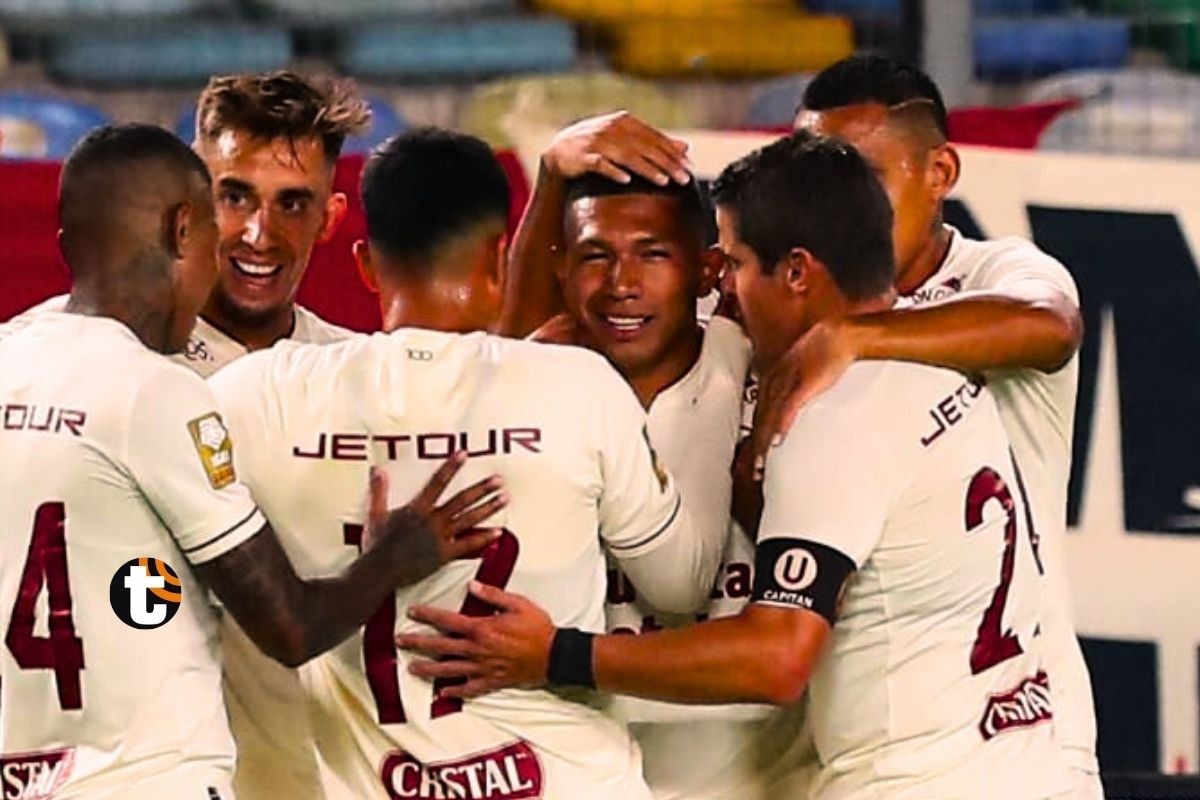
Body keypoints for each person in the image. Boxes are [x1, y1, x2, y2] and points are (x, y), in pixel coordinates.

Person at [398, 132, 1076, 800]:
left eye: (734, 263)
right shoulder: (933, 366)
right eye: (595, 258)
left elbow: (775, 656)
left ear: (795, 271)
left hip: (895, 779)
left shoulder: (819, 407)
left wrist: (554, 654)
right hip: (1011, 760)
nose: (725, 283)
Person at [205, 128, 724, 800]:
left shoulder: (254, 399)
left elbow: (152, 573)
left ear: (365, 263)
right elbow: (681, 588)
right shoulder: (580, 388)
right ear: (500, 258)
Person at [0, 124, 505, 799]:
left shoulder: (11, 359)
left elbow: (120, 575)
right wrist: (395, 557)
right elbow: (291, 627)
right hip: (150, 778)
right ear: (185, 229)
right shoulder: (154, 389)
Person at [764, 54, 1098, 798]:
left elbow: (1051, 327)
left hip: (1021, 743)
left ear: (940, 171)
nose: (836, 213)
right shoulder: (789, 296)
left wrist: (861, 336)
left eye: (863, 180)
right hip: (858, 745)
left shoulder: (997, 272)